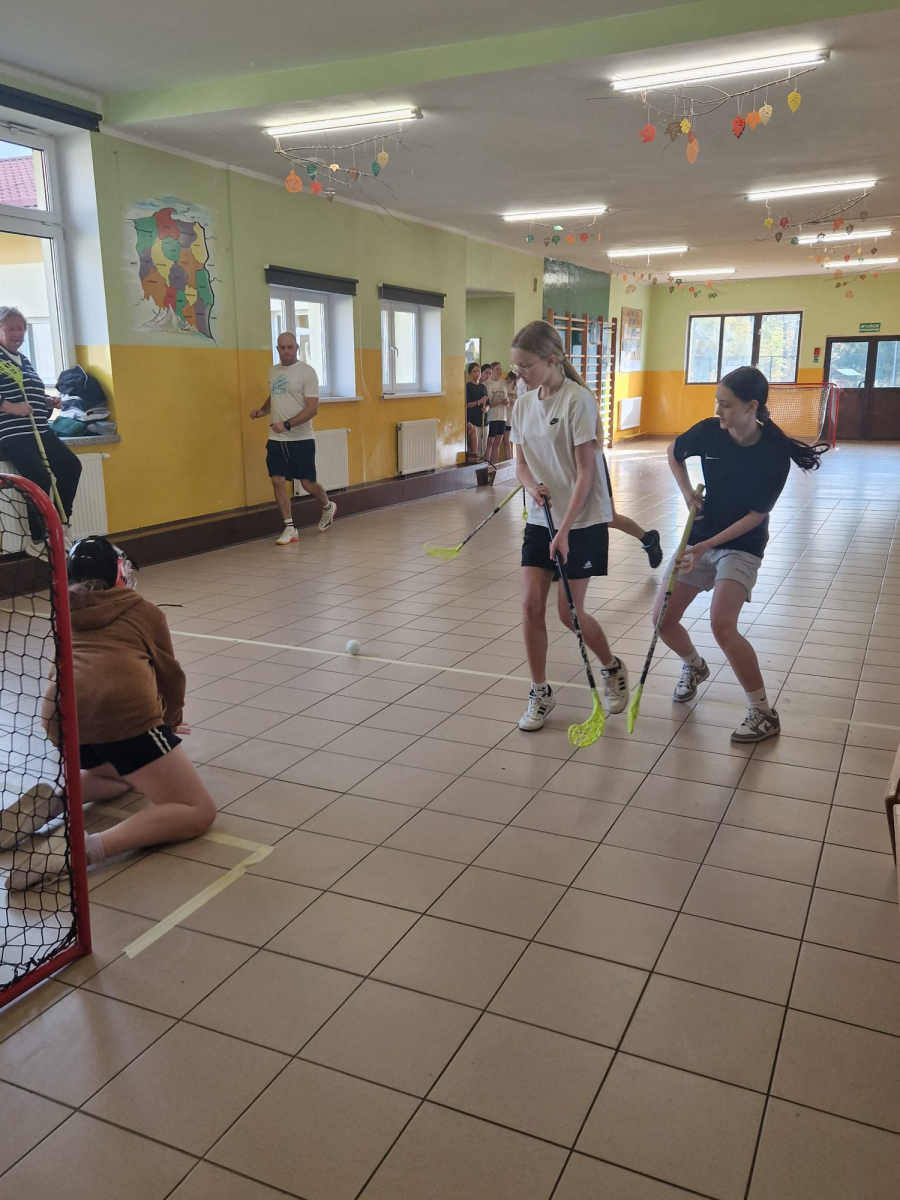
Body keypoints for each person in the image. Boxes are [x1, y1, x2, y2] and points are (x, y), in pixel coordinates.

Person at [4, 536, 216, 891]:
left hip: (65, 724)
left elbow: (62, 670)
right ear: (118, 573)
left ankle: (52, 802)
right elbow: (171, 678)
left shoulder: (64, 609)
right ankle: (83, 849)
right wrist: (168, 723)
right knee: (198, 810)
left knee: (124, 776)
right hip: (124, 716)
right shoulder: (142, 609)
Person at [656, 365, 827, 743]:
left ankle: (763, 712)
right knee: (662, 620)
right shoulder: (708, 432)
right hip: (700, 536)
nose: (718, 411)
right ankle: (694, 666)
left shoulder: (773, 454)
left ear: (752, 407)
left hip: (741, 544)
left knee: (722, 624)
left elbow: (755, 516)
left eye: (727, 404)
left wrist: (706, 547)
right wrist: (687, 493)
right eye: (717, 402)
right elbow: (673, 452)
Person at [510, 320, 629, 732]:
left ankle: (610, 666)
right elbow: (520, 465)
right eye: (517, 366)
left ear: (551, 360)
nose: (520, 374)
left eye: (526, 366)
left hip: (582, 521)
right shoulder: (523, 404)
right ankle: (540, 692)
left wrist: (564, 532)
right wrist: (533, 488)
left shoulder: (578, 402)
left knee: (568, 613)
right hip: (541, 518)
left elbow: (585, 475)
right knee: (530, 605)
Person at [0, 306, 81, 555]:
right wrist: (10, 406)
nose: (17, 334)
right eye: (10, 328)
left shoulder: (23, 360)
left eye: (21, 328)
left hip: (39, 430)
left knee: (71, 467)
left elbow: (28, 393)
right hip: (13, 434)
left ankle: (59, 523)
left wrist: (46, 401)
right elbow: (12, 401)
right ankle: (38, 539)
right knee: (39, 479)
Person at [250, 332, 336, 545]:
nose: (286, 351)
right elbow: (275, 395)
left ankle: (327, 506)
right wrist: (263, 410)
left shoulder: (307, 372)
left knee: (307, 483)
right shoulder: (273, 371)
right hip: (276, 439)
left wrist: (287, 425)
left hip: (301, 438)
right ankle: (289, 528)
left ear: (297, 348)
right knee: (277, 479)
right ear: (277, 349)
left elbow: (313, 408)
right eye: (282, 348)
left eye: (290, 347)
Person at [484, 362, 510, 465]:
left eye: (500, 369)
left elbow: (506, 399)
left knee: (497, 443)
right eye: (497, 369)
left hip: (502, 417)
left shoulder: (503, 384)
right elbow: (488, 402)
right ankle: (487, 464)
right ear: (492, 371)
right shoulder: (488, 384)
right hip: (492, 417)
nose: (500, 371)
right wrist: (500, 402)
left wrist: (507, 402)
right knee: (490, 442)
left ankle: (495, 464)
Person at [465, 361, 488, 457]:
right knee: (475, 450)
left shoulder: (483, 387)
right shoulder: (467, 387)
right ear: (469, 373)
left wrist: (486, 408)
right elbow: (465, 405)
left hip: (484, 421)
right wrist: (478, 402)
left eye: (478, 371)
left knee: (483, 448)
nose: (477, 373)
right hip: (473, 421)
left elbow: (488, 403)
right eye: (474, 371)